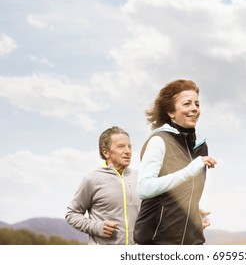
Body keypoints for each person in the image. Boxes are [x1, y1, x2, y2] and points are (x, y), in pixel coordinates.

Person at [134, 79, 217, 245]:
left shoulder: (201, 146)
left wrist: (193, 213)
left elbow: (180, 194)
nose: (194, 108)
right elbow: (144, 189)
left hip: (192, 240)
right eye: (187, 104)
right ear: (171, 112)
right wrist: (189, 170)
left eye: (197, 104)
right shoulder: (159, 140)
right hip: (157, 242)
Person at [65, 126, 140, 245]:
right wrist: (97, 227)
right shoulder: (92, 180)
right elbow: (72, 214)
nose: (128, 151)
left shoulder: (140, 178)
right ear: (106, 152)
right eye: (121, 146)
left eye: (129, 146)